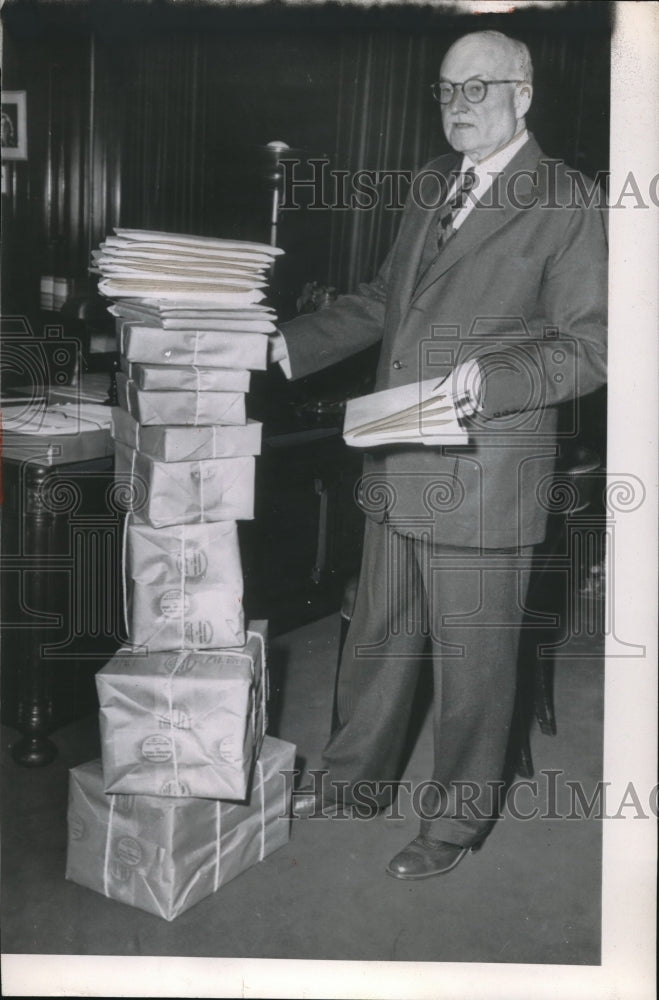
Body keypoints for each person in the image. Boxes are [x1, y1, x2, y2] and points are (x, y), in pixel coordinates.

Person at [269, 29, 607, 879]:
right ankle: (353, 785)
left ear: (521, 94)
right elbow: (389, 297)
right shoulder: (431, 182)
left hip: (485, 468)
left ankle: (453, 827)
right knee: (376, 638)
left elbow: (590, 349)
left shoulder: (567, 199)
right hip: (397, 454)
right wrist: (289, 345)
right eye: (446, 91)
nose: (458, 107)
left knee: (473, 667)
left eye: (477, 89)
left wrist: (483, 383)